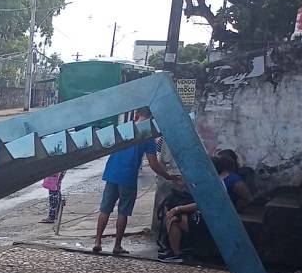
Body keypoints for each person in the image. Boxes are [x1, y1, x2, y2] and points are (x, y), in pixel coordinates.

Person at [93, 107, 179, 255]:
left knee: (105, 209)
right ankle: (117, 246)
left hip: (112, 173)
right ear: (151, 118)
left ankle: (98, 241)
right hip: (128, 177)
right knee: (123, 212)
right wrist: (168, 176)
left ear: (136, 115)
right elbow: (153, 163)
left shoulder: (122, 129)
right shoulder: (147, 136)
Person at [162, 154, 253, 263]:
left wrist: (177, 209)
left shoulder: (222, 183)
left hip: (213, 219)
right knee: (172, 214)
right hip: (210, 215)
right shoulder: (219, 179)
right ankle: (173, 250)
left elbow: (202, 204)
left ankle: (176, 254)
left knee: (174, 219)